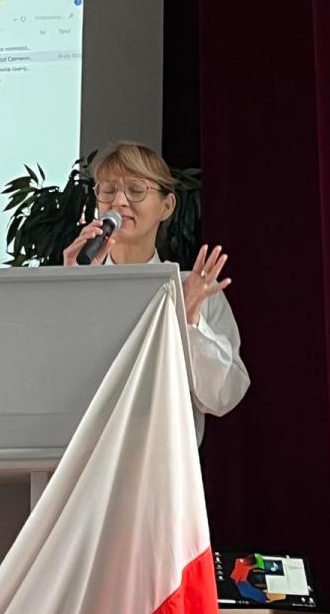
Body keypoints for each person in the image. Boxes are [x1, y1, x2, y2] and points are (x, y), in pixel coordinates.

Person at [63, 141, 249, 443]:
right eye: (108, 191)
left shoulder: (193, 289)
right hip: (81, 455)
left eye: (136, 190)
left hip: (164, 458)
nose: (119, 202)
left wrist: (191, 321)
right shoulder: (77, 280)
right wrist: (72, 291)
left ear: (167, 206)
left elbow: (223, 397)